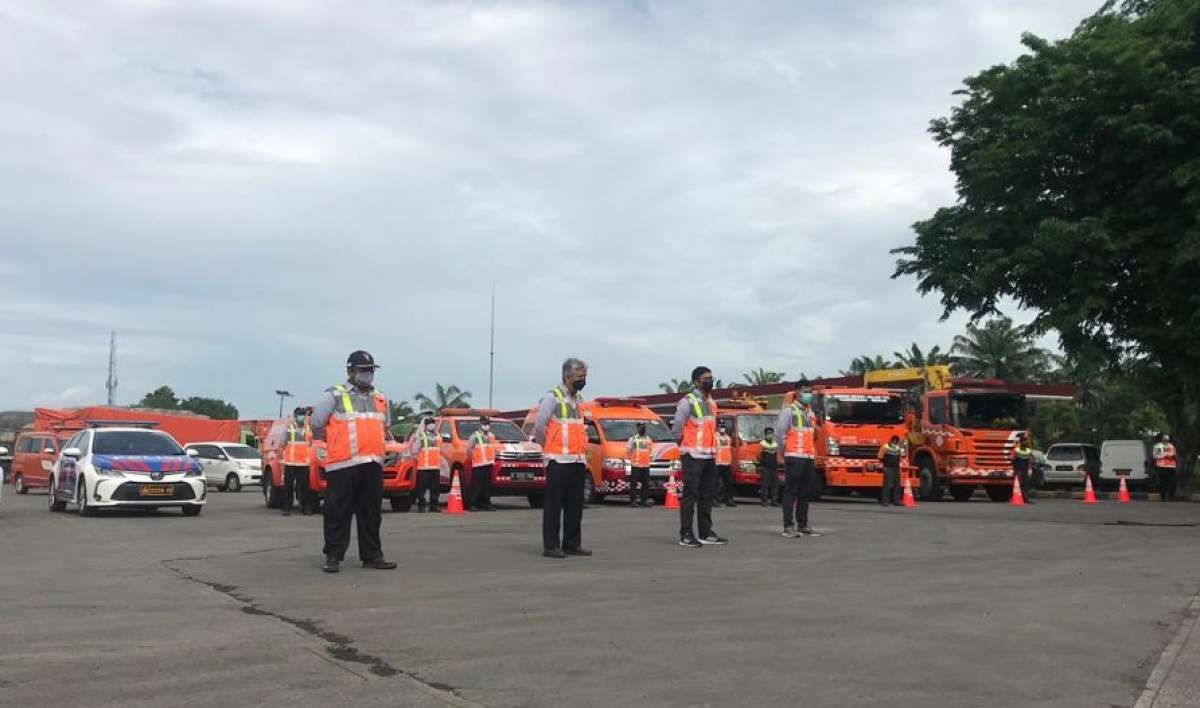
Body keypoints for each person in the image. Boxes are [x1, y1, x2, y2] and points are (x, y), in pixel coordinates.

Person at [309, 350, 397, 573]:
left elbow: (385, 427)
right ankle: (333, 556)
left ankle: (372, 556)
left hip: (372, 463)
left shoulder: (380, 398)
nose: (368, 375)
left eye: (370, 371)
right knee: (337, 511)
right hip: (342, 464)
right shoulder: (335, 395)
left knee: (371, 513)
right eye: (363, 370)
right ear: (350, 371)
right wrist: (336, 443)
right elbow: (317, 424)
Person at [532, 358, 592, 559]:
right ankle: (551, 545)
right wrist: (546, 447)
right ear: (567, 377)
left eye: (584, 376)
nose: (583, 380)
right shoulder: (553, 397)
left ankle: (571, 543)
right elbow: (540, 426)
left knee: (575, 505)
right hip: (557, 460)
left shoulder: (579, 400)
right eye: (579, 376)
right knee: (554, 505)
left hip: (577, 460)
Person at [672, 366, 727, 548]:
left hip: (709, 454)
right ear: (696, 381)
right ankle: (686, 534)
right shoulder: (687, 401)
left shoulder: (711, 402)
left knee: (707, 495)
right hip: (693, 455)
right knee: (690, 495)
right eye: (706, 378)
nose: (709, 381)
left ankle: (705, 532)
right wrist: (685, 446)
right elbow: (677, 427)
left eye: (711, 377)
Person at [777, 379, 818, 538]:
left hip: (808, 456)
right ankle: (788, 526)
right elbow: (780, 433)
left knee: (805, 493)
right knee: (790, 492)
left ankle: (803, 524)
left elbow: (812, 434)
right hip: (794, 456)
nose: (809, 394)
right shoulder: (789, 411)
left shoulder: (810, 412)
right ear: (798, 392)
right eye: (806, 391)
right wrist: (782, 453)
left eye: (810, 391)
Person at [281, 406, 316, 516]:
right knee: (288, 487)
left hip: (304, 463)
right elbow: (282, 443)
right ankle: (287, 508)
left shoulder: (308, 429)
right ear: (296, 416)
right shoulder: (289, 428)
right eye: (300, 414)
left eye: (303, 414)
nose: (302, 416)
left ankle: (306, 507)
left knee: (305, 487)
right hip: (290, 462)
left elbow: (311, 443)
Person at [463, 416, 497, 512]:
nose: (486, 425)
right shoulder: (474, 436)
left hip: (489, 464)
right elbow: (468, 450)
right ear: (480, 424)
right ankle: (472, 504)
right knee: (475, 486)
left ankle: (487, 504)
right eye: (484, 423)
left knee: (487, 486)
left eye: (488, 423)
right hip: (478, 464)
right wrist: (474, 459)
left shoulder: (492, 436)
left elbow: (493, 449)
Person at [411, 414, 442, 513]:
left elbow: (439, 450)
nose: (432, 425)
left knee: (435, 488)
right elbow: (414, 451)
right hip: (423, 467)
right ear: (426, 425)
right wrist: (421, 460)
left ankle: (434, 505)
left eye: (433, 423)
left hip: (435, 467)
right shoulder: (422, 437)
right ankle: (421, 506)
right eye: (429, 423)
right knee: (421, 488)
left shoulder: (438, 437)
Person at [626, 422, 654, 507]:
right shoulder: (633, 439)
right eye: (641, 427)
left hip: (645, 465)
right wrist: (632, 459)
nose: (643, 428)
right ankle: (633, 501)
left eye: (644, 427)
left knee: (645, 484)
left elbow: (650, 451)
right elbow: (628, 450)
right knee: (634, 484)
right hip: (636, 465)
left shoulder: (648, 439)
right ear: (637, 428)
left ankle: (644, 501)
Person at [877, 435, 904, 506]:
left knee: (897, 485)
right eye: (895, 441)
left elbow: (903, 455)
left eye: (897, 441)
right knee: (887, 485)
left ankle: (897, 501)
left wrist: (903, 446)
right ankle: (885, 502)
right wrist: (886, 464)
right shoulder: (885, 447)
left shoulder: (898, 448)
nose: (896, 442)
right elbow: (880, 457)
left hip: (896, 468)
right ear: (892, 440)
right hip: (888, 468)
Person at [715, 424, 737, 507]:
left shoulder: (728, 438)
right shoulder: (715, 437)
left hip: (727, 463)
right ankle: (714, 500)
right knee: (715, 483)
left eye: (723, 427)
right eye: (720, 427)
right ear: (718, 428)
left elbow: (729, 449)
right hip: (717, 463)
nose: (722, 429)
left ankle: (729, 500)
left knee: (729, 483)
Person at [1153, 433, 1178, 502]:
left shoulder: (1171, 446)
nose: (1166, 441)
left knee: (1172, 483)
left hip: (1171, 467)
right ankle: (1163, 498)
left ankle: (1171, 498)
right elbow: (1156, 456)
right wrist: (1165, 455)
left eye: (1167, 439)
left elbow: (1173, 454)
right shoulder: (1158, 446)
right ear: (1162, 439)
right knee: (1163, 483)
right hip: (1162, 467)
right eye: (1165, 439)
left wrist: (1166, 454)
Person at [759, 426, 780, 507]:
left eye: (771, 433)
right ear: (765, 434)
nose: (770, 435)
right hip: (766, 467)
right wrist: (762, 463)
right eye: (768, 433)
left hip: (774, 467)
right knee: (765, 485)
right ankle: (764, 501)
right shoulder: (762, 444)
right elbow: (758, 455)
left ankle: (774, 501)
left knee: (775, 485)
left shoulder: (775, 444)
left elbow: (777, 455)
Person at [1011, 434, 1035, 504]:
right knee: (1018, 485)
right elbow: (1012, 459)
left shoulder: (1028, 450)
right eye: (1025, 441)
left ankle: (1026, 499)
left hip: (1025, 469)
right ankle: (1019, 498)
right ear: (1021, 442)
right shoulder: (1016, 450)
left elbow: (1031, 460)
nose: (1026, 442)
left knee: (1025, 484)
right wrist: (1014, 469)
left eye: (1026, 441)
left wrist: (1030, 469)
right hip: (1018, 469)